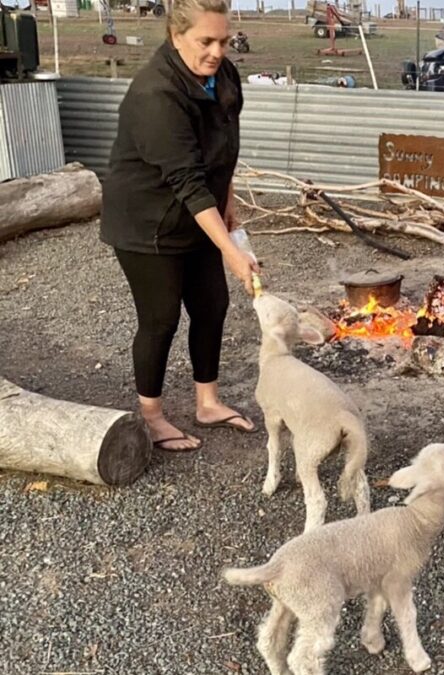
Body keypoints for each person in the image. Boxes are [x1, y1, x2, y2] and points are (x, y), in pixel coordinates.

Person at [100, 0, 259, 452]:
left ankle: (207, 402)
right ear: (176, 36)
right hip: (147, 220)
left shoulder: (222, 75)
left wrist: (229, 207)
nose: (216, 51)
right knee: (161, 317)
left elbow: (225, 150)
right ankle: (151, 417)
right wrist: (231, 249)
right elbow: (186, 180)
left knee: (212, 305)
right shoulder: (156, 94)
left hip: (199, 210)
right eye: (205, 41)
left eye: (223, 41)